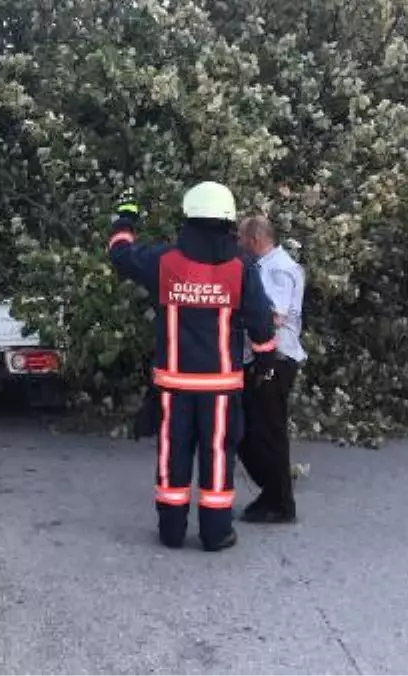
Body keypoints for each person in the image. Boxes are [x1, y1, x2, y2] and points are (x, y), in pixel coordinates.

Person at [108, 182, 277, 552]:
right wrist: (265, 363)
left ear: (188, 214)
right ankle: (216, 534)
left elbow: (120, 254)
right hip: (220, 387)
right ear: (229, 219)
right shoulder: (240, 267)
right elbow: (261, 323)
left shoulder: (164, 261)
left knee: (173, 453)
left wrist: (126, 216)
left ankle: (171, 531)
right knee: (218, 456)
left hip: (174, 384)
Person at [237, 215, 306, 523]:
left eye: (241, 239)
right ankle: (275, 492)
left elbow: (273, 317)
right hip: (265, 359)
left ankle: (279, 500)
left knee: (267, 432)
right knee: (252, 431)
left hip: (275, 359)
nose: (238, 245)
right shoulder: (266, 266)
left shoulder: (277, 269)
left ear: (254, 239)